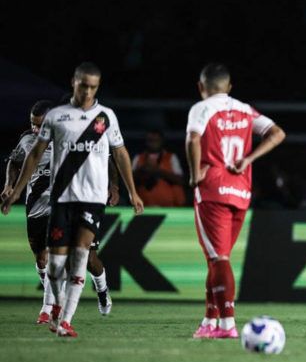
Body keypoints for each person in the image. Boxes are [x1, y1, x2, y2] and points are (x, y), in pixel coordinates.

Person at [1, 63, 143, 338]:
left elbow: (119, 153)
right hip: (61, 198)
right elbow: (32, 154)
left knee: (83, 257)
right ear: (74, 83)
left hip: (91, 199)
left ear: (97, 87)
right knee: (54, 264)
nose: (88, 91)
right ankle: (54, 305)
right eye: (84, 85)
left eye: (93, 87)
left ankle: (65, 318)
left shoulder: (105, 117)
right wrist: (16, 190)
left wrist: (130, 190)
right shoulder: (57, 117)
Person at [186, 62, 286, 338]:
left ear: (201, 87)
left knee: (218, 259)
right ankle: (209, 321)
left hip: (212, 190)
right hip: (241, 191)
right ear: (229, 87)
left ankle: (227, 324)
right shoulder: (244, 109)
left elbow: (193, 139)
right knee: (219, 260)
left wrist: (195, 174)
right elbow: (277, 133)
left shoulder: (202, 108)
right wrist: (248, 160)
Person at [5, 101, 120, 322]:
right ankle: (54, 308)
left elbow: (108, 158)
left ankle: (96, 293)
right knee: (41, 259)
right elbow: (15, 161)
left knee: (87, 259)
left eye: (40, 125)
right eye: (33, 124)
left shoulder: (72, 135)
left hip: (71, 202)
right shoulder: (29, 140)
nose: (36, 129)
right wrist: (10, 187)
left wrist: (113, 186)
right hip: (36, 207)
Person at [132, 129, 187, 207]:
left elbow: (180, 180)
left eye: (156, 140)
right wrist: (144, 170)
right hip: (144, 206)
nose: (153, 143)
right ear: (146, 141)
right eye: (151, 140)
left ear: (161, 141)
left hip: (170, 206)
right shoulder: (138, 158)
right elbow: (130, 180)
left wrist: (158, 171)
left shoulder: (171, 157)